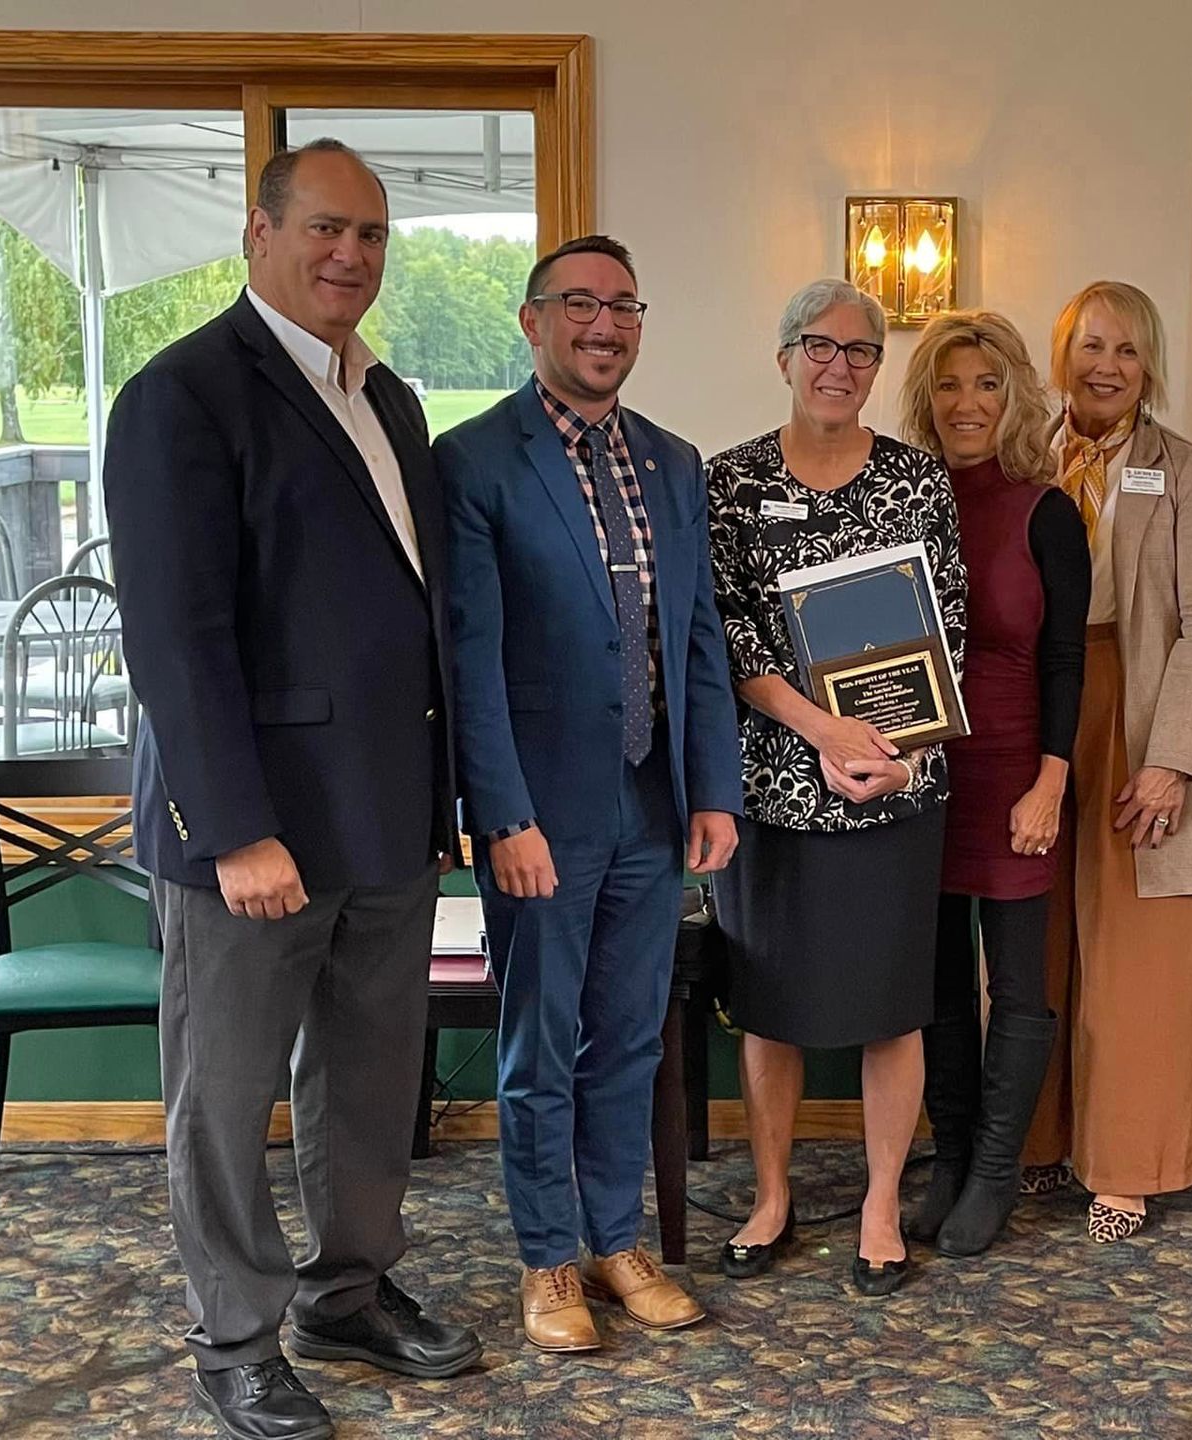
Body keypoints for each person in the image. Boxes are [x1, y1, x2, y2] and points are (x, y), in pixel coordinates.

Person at [105, 138, 481, 1440]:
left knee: (373, 1081)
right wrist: (239, 828)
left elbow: (412, 620)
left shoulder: (390, 400)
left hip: (383, 822)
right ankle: (234, 1339)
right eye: (327, 227)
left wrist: (444, 803)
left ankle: (350, 1291)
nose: (352, 255)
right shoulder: (183, 395)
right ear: (258, 234)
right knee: (225, 1098)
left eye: (373, 235)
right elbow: (176, 634)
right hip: (253, 838)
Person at [436, 235, 743, 1351]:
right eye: (579, 304)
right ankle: (548, 1262)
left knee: (627, 1039)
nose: (604, 325)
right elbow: (469, 660)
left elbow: (697, 637)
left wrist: (714, 788)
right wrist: (501, 815)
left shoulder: (672, 461)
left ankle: (618, 1243)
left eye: (624, 305)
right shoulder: (473, 462)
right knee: (540, 1044)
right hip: (542, 818)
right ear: (532, 321)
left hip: (652, 806)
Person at [706, 278, 967, 1296]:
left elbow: (943, 628)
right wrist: (819, 729)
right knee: (768, 1006)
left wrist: (893, 756)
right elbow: (723, 634)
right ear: (783, 358)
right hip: (772, 785)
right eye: (819, 346)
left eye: (861, 352)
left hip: (893, 784)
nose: (838, 366)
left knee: (891, 1009)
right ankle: (772, 1197)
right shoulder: (726, 482)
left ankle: (876, 1203)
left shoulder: (918, 480)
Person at [1021, 281, 1192, 1244]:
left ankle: (1128, 1163)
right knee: (1039, 940)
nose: (1106, 366)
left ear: (1151, 368)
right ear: (1062, 355)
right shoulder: (1028, 456)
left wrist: (1172, 761)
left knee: (1141, 953)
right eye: (1090, 346)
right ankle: (1034, 1142)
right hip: (1039, 712)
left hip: (1143, 714)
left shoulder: (1184, 470)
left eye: (1128, 350)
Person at [895, 310, 1089, 1256]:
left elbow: (1065, 662)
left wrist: (1052, 780)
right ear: (925, 400)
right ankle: (952, 1154)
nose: (966, 404)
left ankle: (996, 1174)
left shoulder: (1045, 510)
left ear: (1012, 394)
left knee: (1015, 982)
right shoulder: (897, 500)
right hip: (921, 773)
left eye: (984, 385)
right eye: (947, 385)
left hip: (1018, 771)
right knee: (931, 978)